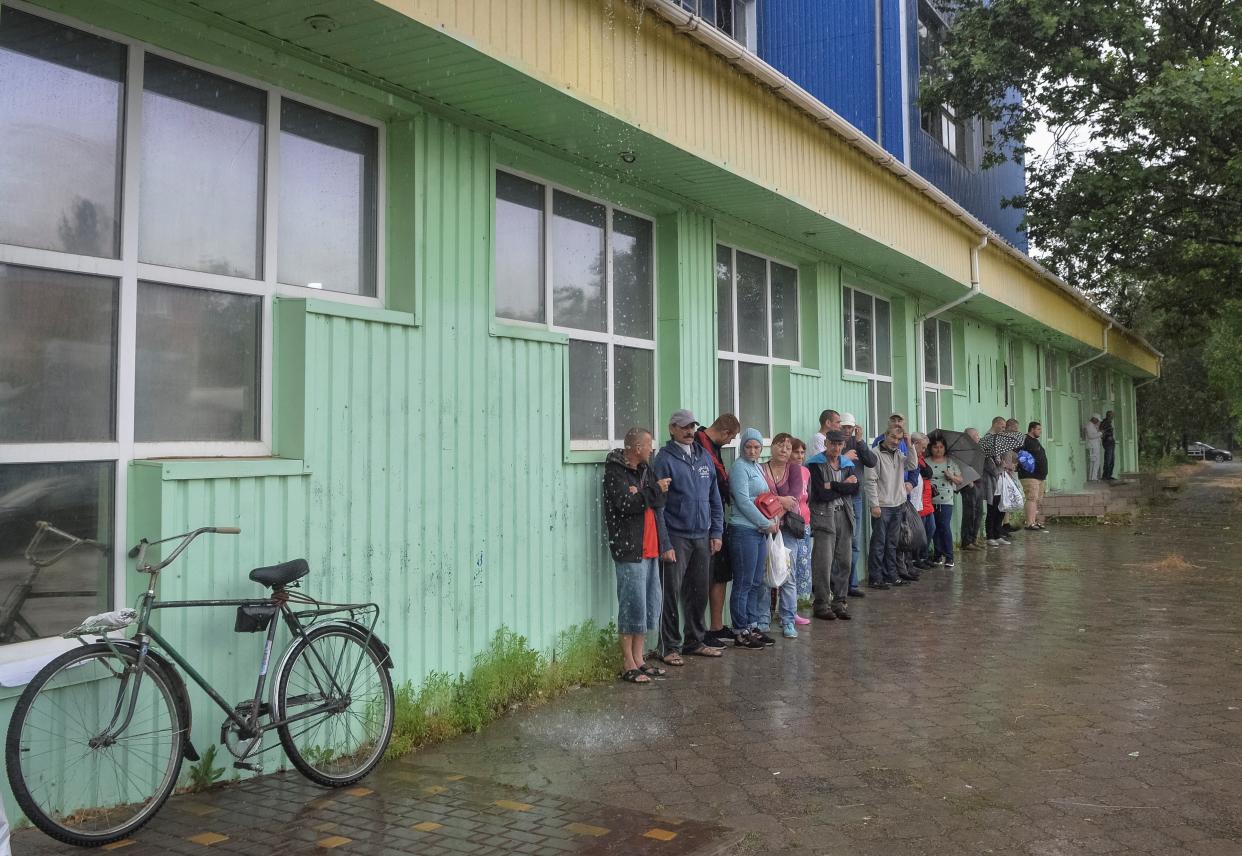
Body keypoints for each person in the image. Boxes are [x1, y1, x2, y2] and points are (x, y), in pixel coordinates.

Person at [651, 410, 724, 665]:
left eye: (692, 426)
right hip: (676, 536)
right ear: (671, 429)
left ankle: (695, 641)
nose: (689, 431)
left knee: (699, 591)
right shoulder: (663, 459)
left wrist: (716, 531)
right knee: (670, 592)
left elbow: (715, 497)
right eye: (683, 427)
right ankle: (669, 647)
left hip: (702, 535)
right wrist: (665, 543)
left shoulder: (704, 456)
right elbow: (658, 506)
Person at [602, 427, 672, 684]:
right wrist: (650, 493)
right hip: (630, 548)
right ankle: (627, 662)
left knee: (646, 605)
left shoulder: (644, 470)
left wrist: (645, 493)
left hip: (651, 547)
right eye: (648, 445)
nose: (652, 449)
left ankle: (640, 659)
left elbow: (660, 500)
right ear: (636, 448)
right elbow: (626, 505)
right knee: (631, 605)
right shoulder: (615, 471)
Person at [729, 428, 779, 649]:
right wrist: (765, 523)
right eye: (748, 446)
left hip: (759, 531)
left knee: (756, 581)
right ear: (742, 447)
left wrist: (773, 518)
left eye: (756, 447)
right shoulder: (739, 468)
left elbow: (763, 497)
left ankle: (752, 624)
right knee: (744, 582)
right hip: (744, 530)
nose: (752, 450)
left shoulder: (756, 466)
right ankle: (740, 629)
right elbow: (743, 501)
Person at [696, 413, 741, 645]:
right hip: (701, 521)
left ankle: (716, 626)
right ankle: (698, 631)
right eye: (731, 438)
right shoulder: (698, 443)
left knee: (721, 573)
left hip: (718, 518)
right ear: (725, 433)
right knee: (703, 576)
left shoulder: (713, 447)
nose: (730, 443)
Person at [807, 429, 858, 619]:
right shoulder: (815, 464)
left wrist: (834, 485)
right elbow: (820, 494)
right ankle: (821, 604)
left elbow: (855, 489)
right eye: (833, 444)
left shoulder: (846, 463)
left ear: (843, 445)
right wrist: (843, 485)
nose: (836, 448)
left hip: (844, 514)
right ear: (826, 443)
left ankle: (839, 602)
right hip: (823, 515)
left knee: (844, 561)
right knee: (823, 562)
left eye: (839, 444)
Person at [864, 425, 918, 588]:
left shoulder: (899, 455)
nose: (895, 441)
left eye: (899, 439)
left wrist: (910, 445)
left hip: (898, 505)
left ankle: (891, 575)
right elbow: (870, 481)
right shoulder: (874, 455)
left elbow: (913, 465)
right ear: (885, 436)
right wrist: (874, 504)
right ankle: (875, 578)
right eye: (893, 437)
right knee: (879, 543)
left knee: (892, 543)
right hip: (882, 506)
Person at [762, 433, 804, 638]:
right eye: (780, 445)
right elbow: (759, 496)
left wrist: (775, 509)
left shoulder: (794, 469)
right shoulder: (761, 468)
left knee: (788, 574)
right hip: (764, 527)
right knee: (764, 573)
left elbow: (794, 499)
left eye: (789, 447)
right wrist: (779, 501)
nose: (785, 450)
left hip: (787, 528)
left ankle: (788, 620)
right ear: (772, 447)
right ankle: (763, 619)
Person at [839, 413, 875, 597]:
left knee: (854, 541)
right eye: (844, 427)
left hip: (856, 497)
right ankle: (840, 585)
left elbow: (871, 461)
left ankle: (852, 583)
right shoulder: (834, 443)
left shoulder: (857, 442)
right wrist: (844, 456)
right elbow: (828, 466)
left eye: (850, 428)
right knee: (840, 542)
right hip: (839, 498)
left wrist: (860, 442)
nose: (847, 430)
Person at [927, 432, 962, 568]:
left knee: (944, 527)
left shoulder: (950, 462)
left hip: (946, 500)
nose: (938, 450)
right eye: (935, 447)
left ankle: (949, 556)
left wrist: (952, 477)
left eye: (941, 447)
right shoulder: (927, 462)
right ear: (931, 448)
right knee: (933, 528)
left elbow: (960, 480)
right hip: (930, 499)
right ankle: (937, 554)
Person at [788, 438, 814, 624]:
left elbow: (808, 497)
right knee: (790, 564)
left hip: (805, 521)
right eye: (796, 452)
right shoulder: (786, 471)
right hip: (790, 524)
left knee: (804, 563)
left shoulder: (806, 471)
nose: (799, 456)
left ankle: (800, 603)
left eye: (802, 452)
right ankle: (787, 608)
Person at [909, 432, 935, 571]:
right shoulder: (913, 458)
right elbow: (926, 473)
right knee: (919, 532)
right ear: (915, 444)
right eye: (923, 447)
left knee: (929, 529)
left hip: (924, 499)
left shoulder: (921, 458)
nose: (924, 451)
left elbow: (928, 472)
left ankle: (922, 556)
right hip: (916, 500)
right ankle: (915, 558)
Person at [959, 427, 985, 552]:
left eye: (978, 434)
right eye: (975, 435)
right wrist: (968, 482)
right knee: (970, 513)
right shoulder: (962, 450)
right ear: (968, 437)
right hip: (969, 485)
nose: (978, 437)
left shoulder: (977, 449)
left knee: (979, 512)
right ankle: (966, 541)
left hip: (979, 483)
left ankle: (973, 539)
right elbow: (961, 467)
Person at [985, 451, 1019, 547]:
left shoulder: (999, 457)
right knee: (992, 513)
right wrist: (1002, 466)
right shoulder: (988, 459)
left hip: (1002, 489)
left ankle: (997, 534)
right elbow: (994, 472)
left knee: (1001, 513)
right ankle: (990, 536)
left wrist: (1006, 466)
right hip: (993, 490)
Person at [1020, 421, 1050, 533]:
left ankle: (1033, 521)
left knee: (1037, 499)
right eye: (1038, 429)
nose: (1040, 432)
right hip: (1030, 475)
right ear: (1032, 429)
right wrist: (1029, 468)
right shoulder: (1025, 439)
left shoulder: (1035, 441)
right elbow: (1020, 455)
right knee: (1031, 498)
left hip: (1040, 476)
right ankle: (1029, 523)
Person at [1085, 415, 1103, 481]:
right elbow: (1090, 436)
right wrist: (1100, 433)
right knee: (1094, 461)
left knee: (1097, 461)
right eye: (1097, 420)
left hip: (1096, 446)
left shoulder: (1093, 425)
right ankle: (1092, 477)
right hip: (1092, 446)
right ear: (1094, 418)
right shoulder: (1089, 425)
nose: (1098, 421)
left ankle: (1094, 477)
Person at [1101, 410, 1117, 481]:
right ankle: (1105, 476)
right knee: (1108, 459)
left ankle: (1109, 475)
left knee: (1112, 460)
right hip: (1107, 443)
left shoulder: (1109, 422)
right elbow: (1102, 432)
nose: (1113, 417)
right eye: (1112, 415)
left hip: (1111, 443)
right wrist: (1107, 437)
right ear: (1109, 415)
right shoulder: (1104, 422)